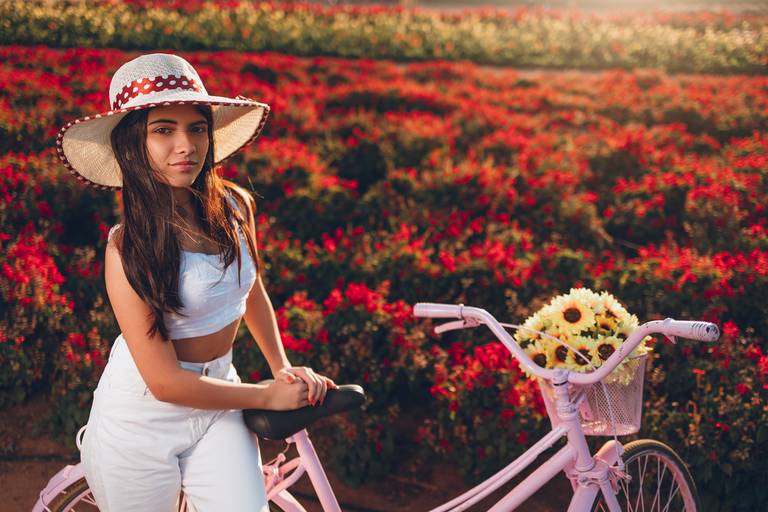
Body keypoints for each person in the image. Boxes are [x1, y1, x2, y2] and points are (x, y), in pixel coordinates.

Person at [56, 52, 337, 511]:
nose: (185, 144)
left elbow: (251, 290)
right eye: (163, 130)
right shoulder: (128, 247)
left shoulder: (234, 206)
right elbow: (165, 383)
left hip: (220, 396)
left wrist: (280, 366)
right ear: (132, 144)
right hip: (141, 418)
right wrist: (266, 394)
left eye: (197, 127)